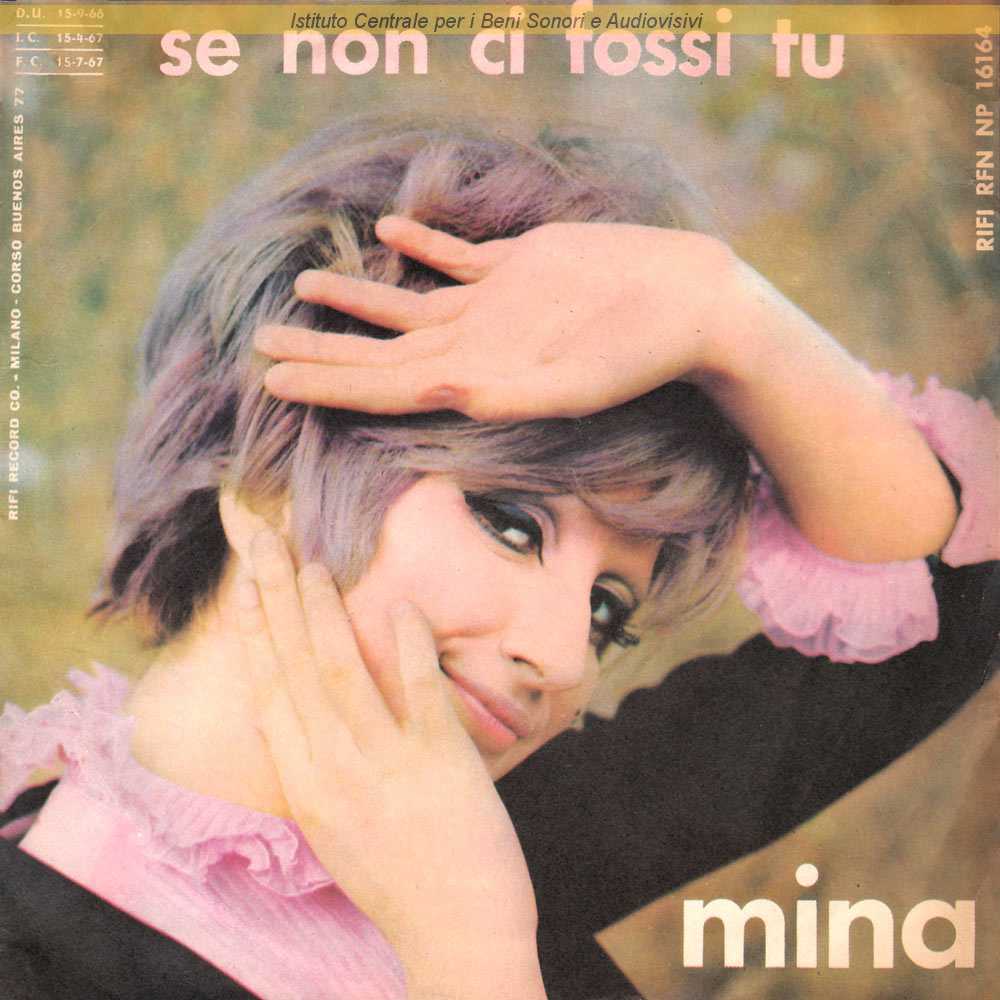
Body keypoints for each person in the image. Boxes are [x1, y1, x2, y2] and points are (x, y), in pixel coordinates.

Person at [1, 119, 996, 1000]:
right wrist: (469, 961)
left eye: (607, 611)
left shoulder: (493, 836)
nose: (562, 660)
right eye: (512, 524)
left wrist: (726, 310)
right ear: (273, 464)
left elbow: (946, 607)